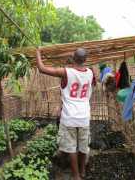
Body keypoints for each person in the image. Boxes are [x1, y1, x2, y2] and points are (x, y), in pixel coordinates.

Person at [36, 47, 93, 180]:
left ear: (73, 58)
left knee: (71, 146)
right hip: (84, 117)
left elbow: (42, 68)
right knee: (83, 146)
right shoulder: (90, 73)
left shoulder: (66, 72)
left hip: (69, 117)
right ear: (85, 60)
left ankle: (76, 175)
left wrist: (38, 52)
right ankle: (83, 171)